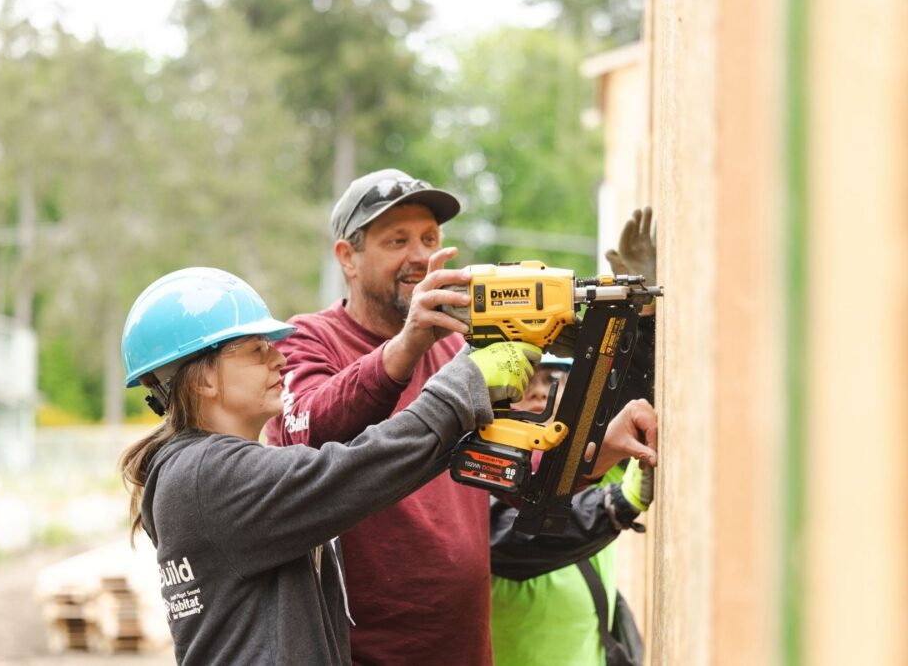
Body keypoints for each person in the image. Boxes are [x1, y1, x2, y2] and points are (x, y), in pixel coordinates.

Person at [264, 169, 659, 665]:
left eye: (429, 238)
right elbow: (307, 427)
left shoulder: (457, 347)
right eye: (397, 240)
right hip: (364, 653)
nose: (418, 256)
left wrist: (596, 456)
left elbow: (510, 473)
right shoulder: (311, 338)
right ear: (347, 257)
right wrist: (407, 345)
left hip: (463, 648)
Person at [116, 266, 541, 665]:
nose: (279, 359)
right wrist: (464, 383)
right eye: (256, 350)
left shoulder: (205, 473)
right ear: (202, 379)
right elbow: (355, 471)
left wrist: (471, 414)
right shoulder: (206, 476)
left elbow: (374, 472)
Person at [490, 207, 660, 666]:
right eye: (522, 389)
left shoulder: (572, 462)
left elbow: (637, 411)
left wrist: (636, 320)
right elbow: (521, 536)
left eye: (546, 385)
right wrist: (618, 504)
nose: (539, 397)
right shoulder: (472, 494)